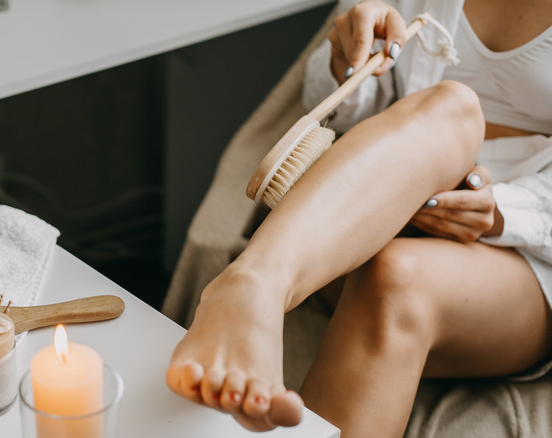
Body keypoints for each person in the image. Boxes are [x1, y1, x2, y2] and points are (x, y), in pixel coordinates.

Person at [165, 0, 552, 436]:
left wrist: (505, 211)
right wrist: (347, 58)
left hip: (524, 254)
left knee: (397, 278)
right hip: (388, 192)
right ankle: (253, 288)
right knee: (455, 107)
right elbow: (347, 108)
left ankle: (255, 282)